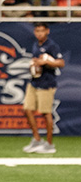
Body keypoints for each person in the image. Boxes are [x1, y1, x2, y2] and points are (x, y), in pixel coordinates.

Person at [23, 23, 65, 154]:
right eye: (37, 31)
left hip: (47, 84)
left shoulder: (51, 45)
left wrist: (46, 62)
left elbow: (61, 63)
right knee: (28, 109)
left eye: (42, 31)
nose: (39, 33)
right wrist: (34, 64)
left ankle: (49, 144)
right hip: (34, 82)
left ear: (47, 31)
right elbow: (37, 61)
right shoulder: (36, 45)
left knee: (46, 113)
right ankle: (37, 140)